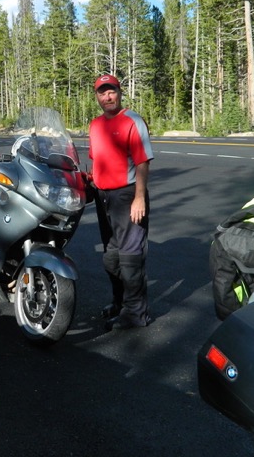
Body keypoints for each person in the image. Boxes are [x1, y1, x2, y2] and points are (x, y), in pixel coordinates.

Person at [88, 74, 154, 330]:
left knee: (130, 257)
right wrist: (89, 181)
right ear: (97, 97)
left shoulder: (132, 121)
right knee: (111, 257)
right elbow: (98, 160)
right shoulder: (95, 125)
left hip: (127, 195)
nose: (107, 97)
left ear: (119, 92)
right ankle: (120, 303)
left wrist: (139, 197)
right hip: (103, 198)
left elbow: (142, 161)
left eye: (111, 91)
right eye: (102, 93)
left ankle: (136, 314)